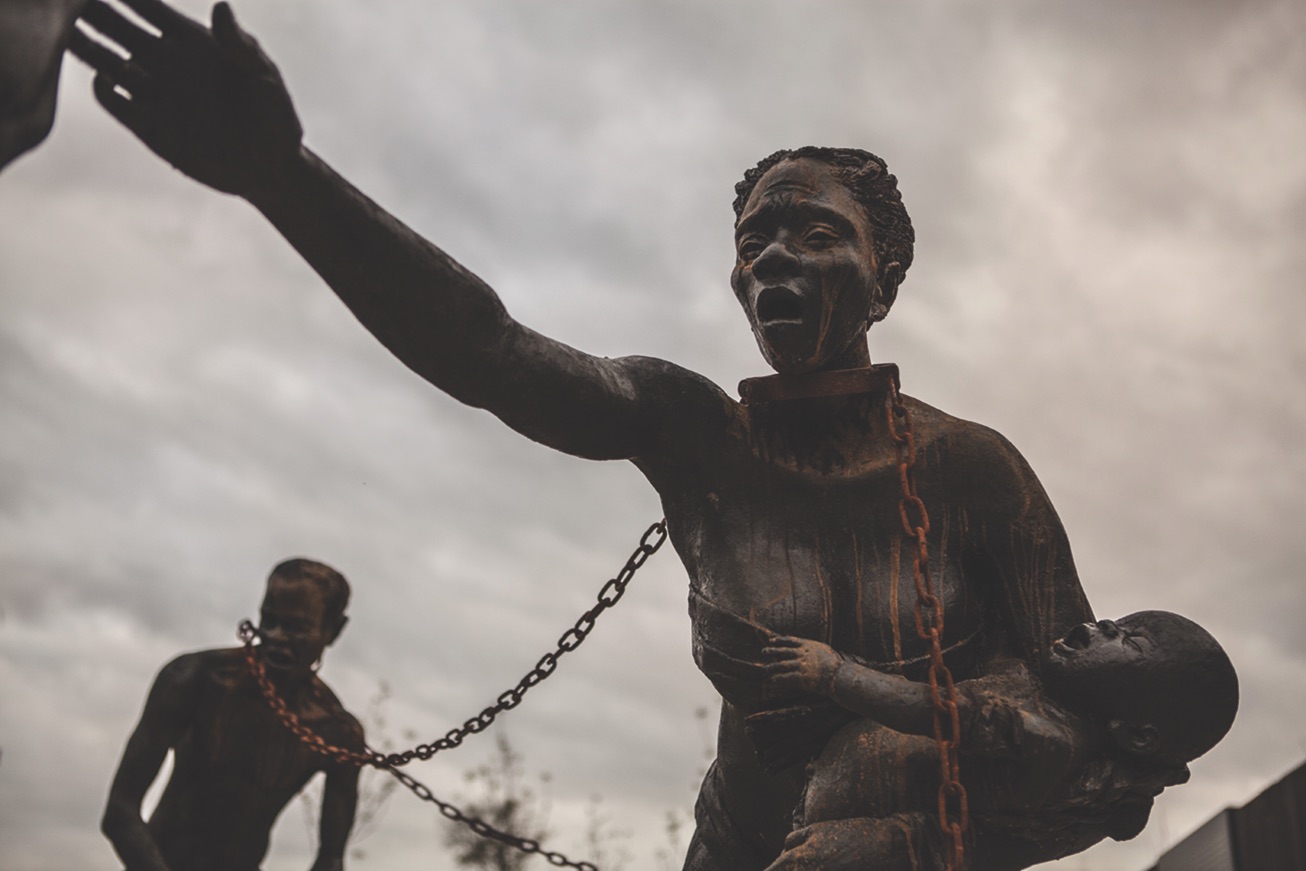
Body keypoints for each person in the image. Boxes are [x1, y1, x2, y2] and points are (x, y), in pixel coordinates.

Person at [70, 3, 1100, 868]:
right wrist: (281, 176)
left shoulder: (975, 474)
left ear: (886, 274)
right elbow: (487, 349)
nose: (775, 259)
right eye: (754, 242)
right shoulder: (696, 436)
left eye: (817, 234)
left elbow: (1095, 734)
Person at [757, 612, 1239, 870]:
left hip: (922, 852)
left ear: (1136, 735)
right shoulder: (1036, 684)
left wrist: (833, 673)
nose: (1103, 627)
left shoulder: (1052, 743)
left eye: (1127, 641)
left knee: (814, 865)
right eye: (1115, 620)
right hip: (823, 790)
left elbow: (938, 712)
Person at [101, 558, 364, 871]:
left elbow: (331, 860)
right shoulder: (196, 680)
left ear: (333, 631)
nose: (277, 636)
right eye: (269, 620)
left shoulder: (337, 733)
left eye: (296, 627)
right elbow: (120, 812)